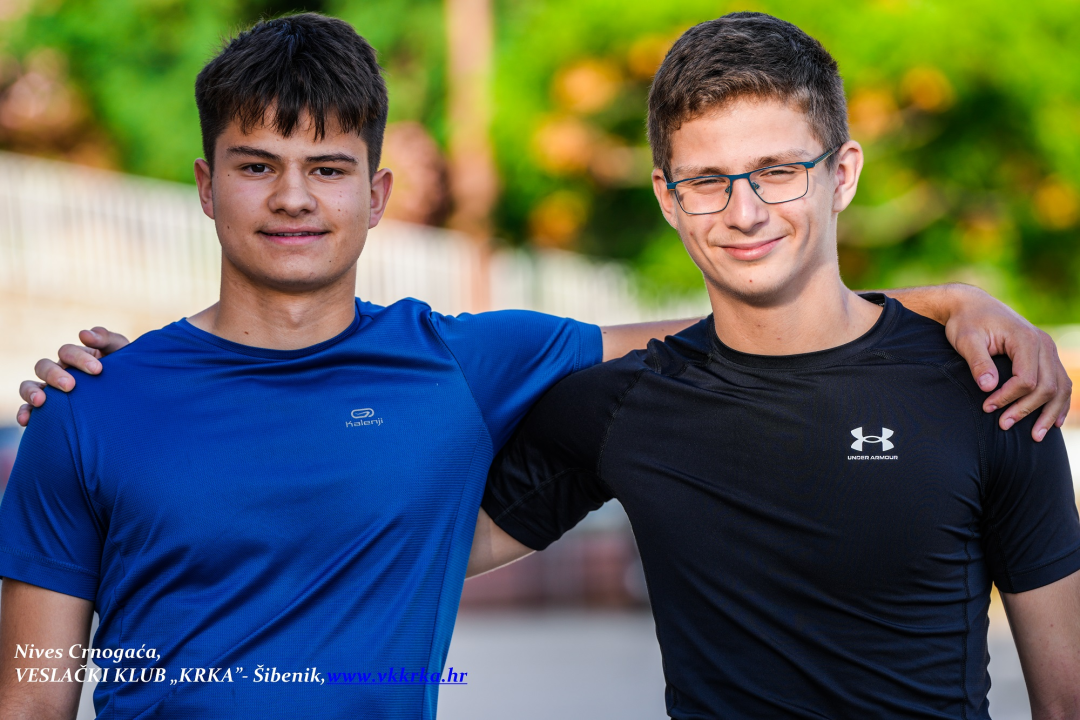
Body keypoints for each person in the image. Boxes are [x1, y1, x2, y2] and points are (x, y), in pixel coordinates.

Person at [1, 11, 1071, 720]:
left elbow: (732, 317)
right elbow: (33, 693)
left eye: (328, 168)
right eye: (257, 167)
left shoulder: (466, 361)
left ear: (376, 196)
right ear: (204, 184)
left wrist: (943, 304)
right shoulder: (91, 407)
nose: (293, 199)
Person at [472, 12, 1080, 720]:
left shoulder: (982, 388)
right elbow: (409, 564)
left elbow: (1065, 700)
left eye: (778, 172)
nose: (745, 212)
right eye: (707, 181)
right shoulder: (615, 407)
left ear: (842, 175)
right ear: (669, 198)